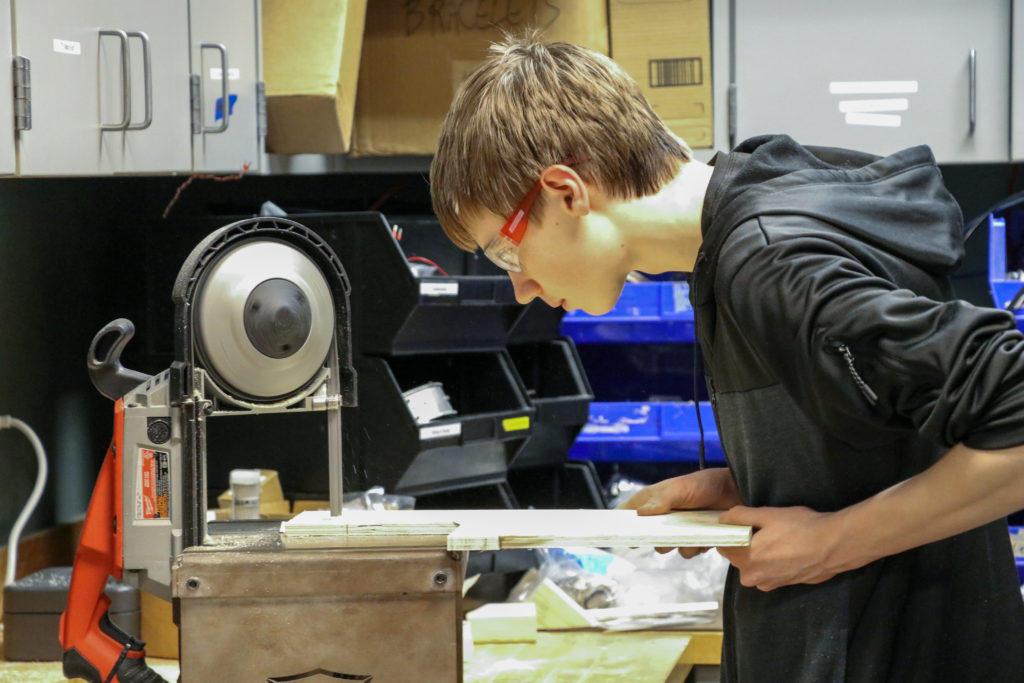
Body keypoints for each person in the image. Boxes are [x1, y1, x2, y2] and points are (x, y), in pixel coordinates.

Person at [429, 33, 1024, 681]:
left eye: (505, 252)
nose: (520, 286)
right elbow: (895, 433)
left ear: (567, 192)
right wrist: (758, 479)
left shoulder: (766, 259)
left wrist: (830, 544)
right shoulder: (742, 218)